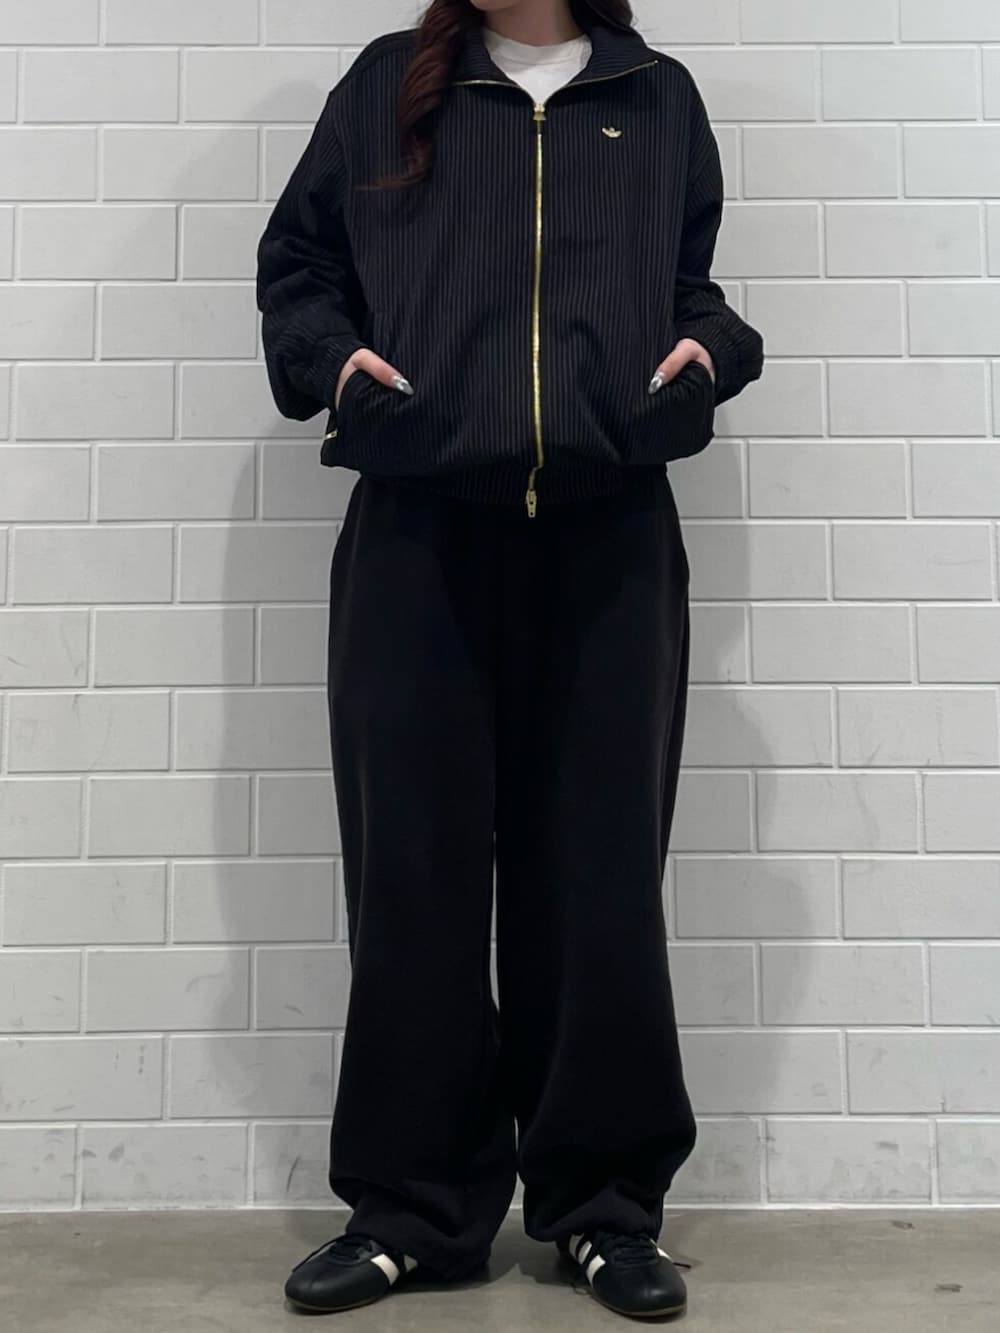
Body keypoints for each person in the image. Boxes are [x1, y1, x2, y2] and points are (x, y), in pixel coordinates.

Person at [256, 0, 764, 1319]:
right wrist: (334, 364)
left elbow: (687, 286)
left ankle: (601, 1207)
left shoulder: (654, 95)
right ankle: (413, 1210)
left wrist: (713, 350)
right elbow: (299, 265)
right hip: (418, 533)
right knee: (413, 879)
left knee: (599, 882)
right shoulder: (390, 86)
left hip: (610, 541)